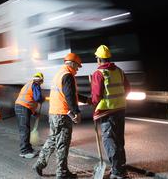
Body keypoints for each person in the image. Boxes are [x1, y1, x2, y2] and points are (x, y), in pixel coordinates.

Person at [33, 53, 88, 179]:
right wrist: (76, 112)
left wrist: (87, 100)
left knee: (52, 139)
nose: (78, 69)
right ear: (72, 64)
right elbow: (69, 96)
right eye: (78, 66)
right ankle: (62, 173)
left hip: (54, 113)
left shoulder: (59, 74)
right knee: (62, 143)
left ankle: (40, 164)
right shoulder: (67, 75)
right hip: (62, 115)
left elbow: (70, 94)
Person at [90, 45, 131, 179]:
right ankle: (121, 166)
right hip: (121, 108)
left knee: (109, 139)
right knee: (119, 138)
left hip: (108, 111)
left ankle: (117, 171)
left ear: (99, 59)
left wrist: (95, 104)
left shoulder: (98, 74)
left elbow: (96, 96)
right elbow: (128, 89)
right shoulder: (118, 71)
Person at [15, 72, 45, 158]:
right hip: (22, 107)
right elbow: (37, 98)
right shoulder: (35, 84)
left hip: (22, 107)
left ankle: (29, 149)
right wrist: (42, 99)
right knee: (24, 130)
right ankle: (24, 151)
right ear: (40, 80)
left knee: (25, 129)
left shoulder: (29, 84)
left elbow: (29, 100)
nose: (41, 83)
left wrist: (34, 113)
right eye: (41, 82)